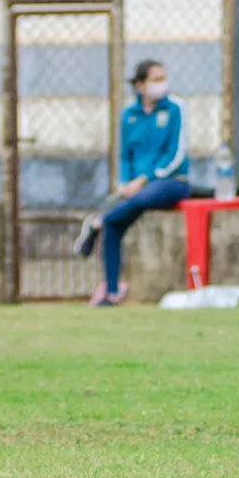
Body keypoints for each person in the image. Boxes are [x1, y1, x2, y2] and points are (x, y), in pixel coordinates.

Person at [72, 59, 191, 306]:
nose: (162, 84)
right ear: (140, 85)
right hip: (135, 188)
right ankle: (111, 292)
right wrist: (124, 182)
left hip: (170, 182)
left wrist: (145, 179)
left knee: (141, 198)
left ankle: (97, 221)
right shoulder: (128, 115)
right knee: (114, 226)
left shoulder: (175, 108)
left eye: (163, 78)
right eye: (155, 79)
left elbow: (175, 153)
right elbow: (124, 155)